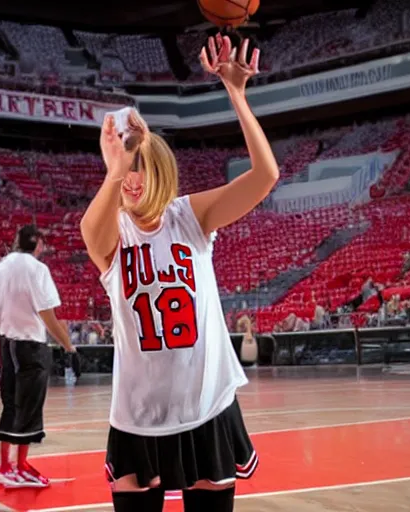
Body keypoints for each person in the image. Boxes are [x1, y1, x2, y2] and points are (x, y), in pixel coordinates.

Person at [80, 34, 278, 512]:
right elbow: (91, 232)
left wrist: (237, 95)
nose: (131, 178)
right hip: (138, 418)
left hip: (206, 405)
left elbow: (265, 175)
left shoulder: (189, 216)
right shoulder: (111, 232)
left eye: (140, 168)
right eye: (126, 168)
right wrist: (115, 167)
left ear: (162, 171)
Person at [0, 225, 75, 487]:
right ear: (37, 242)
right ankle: (20, 467)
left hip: (7, 343)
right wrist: (68, 347)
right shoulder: (37, 269)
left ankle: (5, 465)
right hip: (30, 345)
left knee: (10, 404)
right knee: (29, 407)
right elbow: (47, 314)